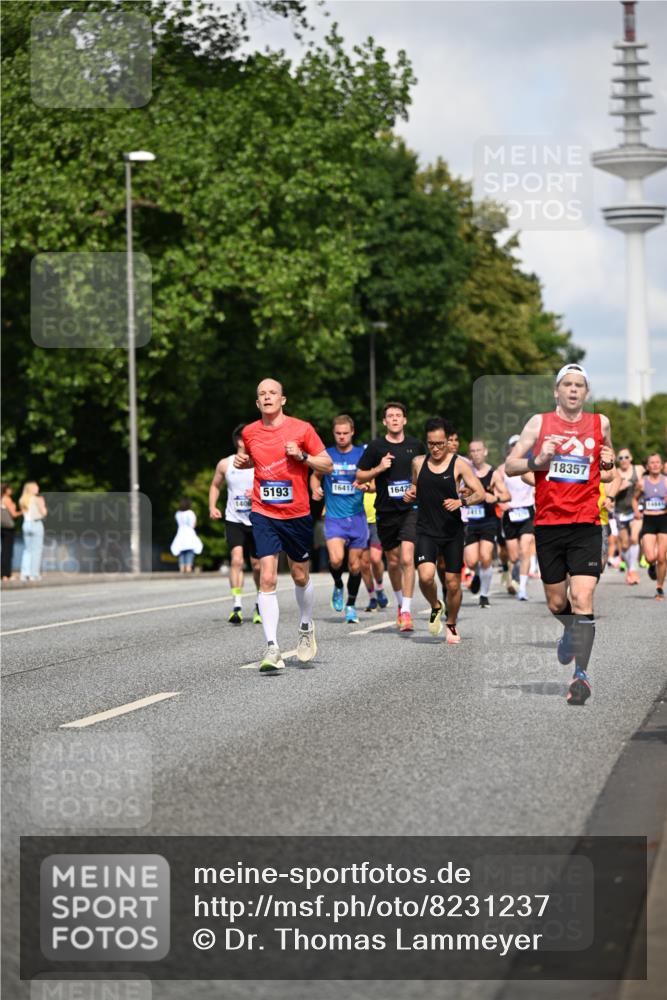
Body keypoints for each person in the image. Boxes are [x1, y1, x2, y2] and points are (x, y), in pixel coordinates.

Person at [506, 363, 615, 706]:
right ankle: (569, 630)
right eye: (566, 384)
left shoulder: (601, 424)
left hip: (586, 524)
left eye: (578, 385)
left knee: (583, 599)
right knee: (557, 602)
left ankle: (580, 676)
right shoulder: (539, 423)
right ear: (556, 391)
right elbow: (511, 465)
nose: (572, 390)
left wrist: (609, 463)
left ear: (586, 393)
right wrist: (539, 459)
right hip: (549, 525)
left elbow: (607, 473)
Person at [236, 378, 332, 672]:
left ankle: (305, 625)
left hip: (297, 513)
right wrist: (245, 463)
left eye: (272, 393)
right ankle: (272, 647)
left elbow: (327, 464)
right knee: (267, 577)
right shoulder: (250, 432)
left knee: (300, 575)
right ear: (257, 403)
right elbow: (259, 460)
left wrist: (302, 456)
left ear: (283, 399)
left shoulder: (302, 429)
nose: (267, 397)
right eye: (261, 394)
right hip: (264, 512)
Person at [405, 417, 484, 643]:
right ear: (426, 442)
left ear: (448, 442)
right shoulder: (418, 463)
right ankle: (435, 605)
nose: (436, 448)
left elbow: (479, 492)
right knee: (426, 576)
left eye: (440, 443)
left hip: (451, 532)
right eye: (431, 444)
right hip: (426, 530)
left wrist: (462, 502)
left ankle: (451, 624)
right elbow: (414, 486)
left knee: (452, 583)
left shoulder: (459, 464)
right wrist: (409, 494)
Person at [356, 401, 426, 632]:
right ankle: (400, 604)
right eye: (390, 416)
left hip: (410, 510)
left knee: (408, 559)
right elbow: (360, 474)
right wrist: (379, 468)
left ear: (405, 420)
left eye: (398, 415)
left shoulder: (416, 445)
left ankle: (406, 610)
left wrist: (416, 489)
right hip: (386, 512)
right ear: (384, 421)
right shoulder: (376, 447)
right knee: (393, 562)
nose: (395, 419)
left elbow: (427, 474)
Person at [310, 415, 368, 624]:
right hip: (334, 518)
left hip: (357, 517)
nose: (342, 437)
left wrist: (367, 485)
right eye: (338, 433)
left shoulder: (362, 453)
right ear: (333, 433)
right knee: (335, 560)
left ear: (352, 432)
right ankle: (337, 584)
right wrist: (315, 488)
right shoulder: (327, 455)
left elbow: (372, 478)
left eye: (345, 433)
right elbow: (315, 475)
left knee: (354, 566)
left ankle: (351, 605)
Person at [209, 424, 262, 625]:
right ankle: (237, 606)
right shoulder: (225, 464)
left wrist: (256, 494)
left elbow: (272, 485)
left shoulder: (260, 463)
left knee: (257, 565)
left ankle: (259, 605)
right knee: (237, 560)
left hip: (257, 519)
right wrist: (212, 506)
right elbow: (215, 485)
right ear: (240, 441)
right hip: (234, 520)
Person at [462, 440, 509, 608]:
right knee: (471, 561)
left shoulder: (493, 474)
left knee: (486, 557)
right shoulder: (465, 472)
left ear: (485, 452)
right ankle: (476, 575)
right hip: (471, 522)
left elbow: (506, 496)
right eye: (472, 451)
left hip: (489, 521)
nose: (475, 453)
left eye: (478, 450)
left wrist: (495, 498)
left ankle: (484, 595)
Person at [497, 436, 536, 601]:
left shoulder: (531, 466)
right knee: (513, 556)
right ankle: (511, 573)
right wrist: (501, 501)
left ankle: (522, 589)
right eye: (514, 445)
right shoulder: (501, 469)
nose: (517, 448)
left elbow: (538, 484)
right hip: (510, 513)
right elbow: (496, 489)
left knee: (525, 550)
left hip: (527, 511)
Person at [634, 453, 667, 600]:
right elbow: (634, 500)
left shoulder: (666, 482)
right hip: (648, 520)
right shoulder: (642, 482)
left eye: (657, 462)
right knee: (649, 557)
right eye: (652, 463)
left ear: (661, 465)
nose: (654, 465)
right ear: (647, 466)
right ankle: (651, 566)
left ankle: (659, 587)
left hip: (663, 520)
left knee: (661, 557)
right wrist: (637, 512)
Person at [614, 448, 644, 584]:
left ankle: (632, 569)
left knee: (634, 538)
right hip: (620, 511)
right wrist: (620, 487)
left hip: (636, 509)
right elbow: (608, 493)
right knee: (624, 544)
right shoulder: (615, 473)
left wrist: (641, 487)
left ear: (631, 458)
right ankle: (629, 569)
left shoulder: (639, 469)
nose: (624, 460)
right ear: (617, 461)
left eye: (626, 457)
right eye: (620, 458)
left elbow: (649, 480)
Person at [361, 486, 389, 611]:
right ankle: (372, 596)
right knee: (364, 564)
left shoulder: (378, 468)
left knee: (375, 558)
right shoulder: (354, 469)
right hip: (359, 521)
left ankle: (379, 587)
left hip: (376, 521)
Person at [19, 481, 47, 581]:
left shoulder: (22, 500)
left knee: (27, 550)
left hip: (26, 524)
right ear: (31, 489)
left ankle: (24, 573)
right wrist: (43, 505)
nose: (38, 488)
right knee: (37, 550)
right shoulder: (37, 499)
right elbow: (44, 513)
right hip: (36, 524)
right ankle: (34, 574)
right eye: (36, 487)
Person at [170, 498, 203, 573]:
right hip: (189, 533)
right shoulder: (190, 513)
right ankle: (188, 567)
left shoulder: (178, 513)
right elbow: (193, 524)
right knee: (190, 551)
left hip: (180, 533)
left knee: (181, 551)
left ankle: (181, 568)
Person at [1, 484, 20, 581]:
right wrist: (23, 511)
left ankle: (3, 574)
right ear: (6, 490)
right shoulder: (7, 499)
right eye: (10, 488)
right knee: (8, 552)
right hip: (8, 527)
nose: (11, 490)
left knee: (4, 551)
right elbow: (14, 514)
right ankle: (6, 574)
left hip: (2, 526)